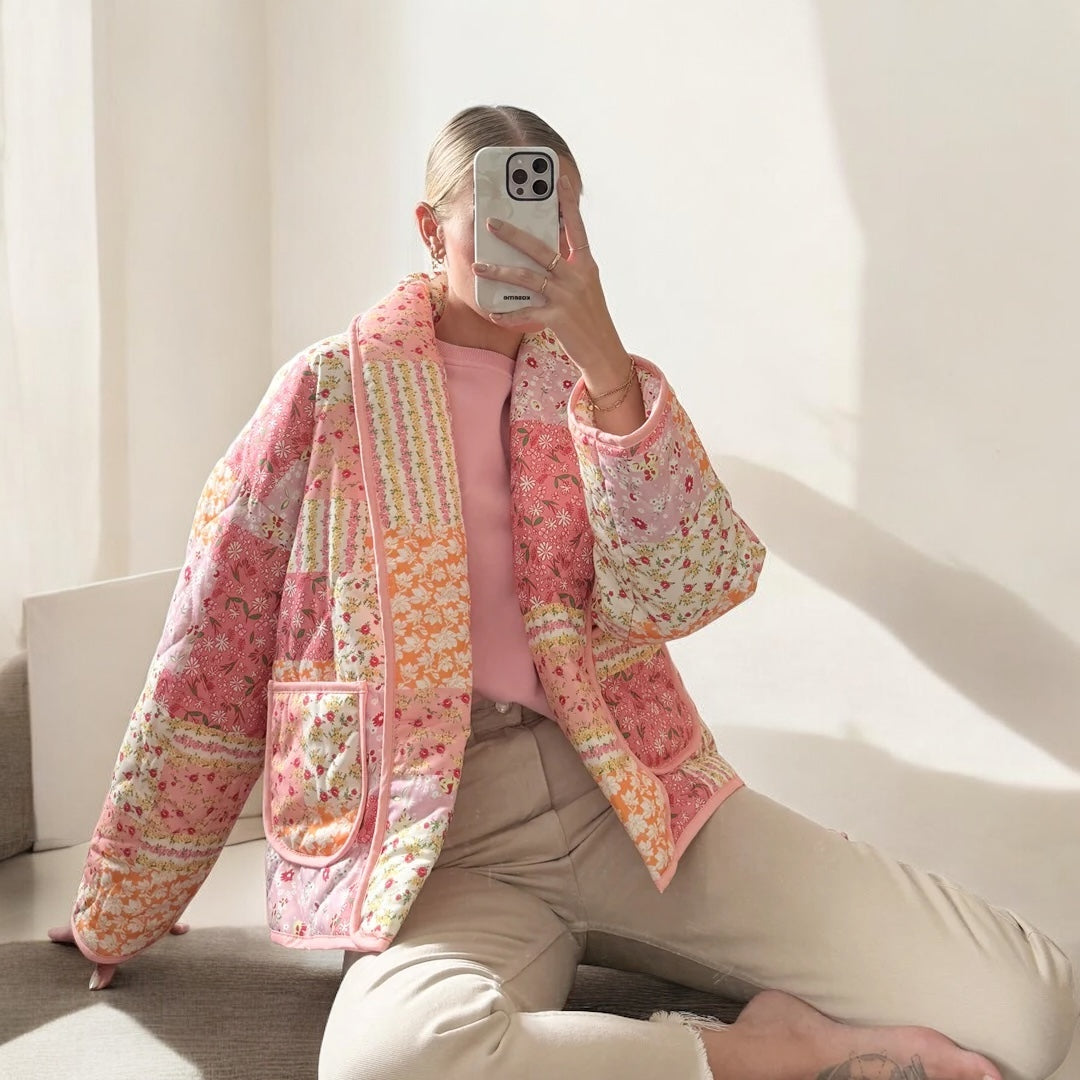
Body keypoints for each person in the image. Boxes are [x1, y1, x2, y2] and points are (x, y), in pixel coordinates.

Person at [51, 105, 1076, 1080]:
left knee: (1028, 1010)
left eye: (554, 217)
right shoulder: (328, 393)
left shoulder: (598, 389)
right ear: (430, 230)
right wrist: (119, 906)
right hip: (442, 842)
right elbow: (209, 654)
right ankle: (768, 1051)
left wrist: (611, 375)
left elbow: (684, 589)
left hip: (629, 799)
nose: (532, 244)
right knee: (387, 1066)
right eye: (497, 218)